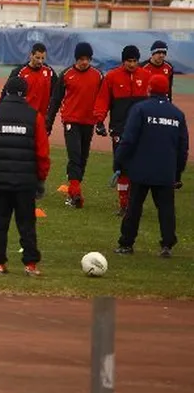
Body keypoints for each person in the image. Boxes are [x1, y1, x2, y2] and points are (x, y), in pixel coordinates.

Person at [0, 76, 51, 276]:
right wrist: (40, 179)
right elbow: (42, 153)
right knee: (26, 224)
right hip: (25, 181)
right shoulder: (34, 116)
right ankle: (30, 263)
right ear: (25, 94)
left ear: (6, 91)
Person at [114, 74, 187, 258]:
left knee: (134, 207)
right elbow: (182, 147)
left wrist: (119, 161)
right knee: (166, 209)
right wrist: (177, 172)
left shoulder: (140, 109)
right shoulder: (177, 114)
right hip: (165, 170)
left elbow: (128, 139)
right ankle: (167, 245)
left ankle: (126, 243)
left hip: (141, 169)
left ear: (149, 89)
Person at [94, 45, 151, 216]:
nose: (132, 64)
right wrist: (99, 120)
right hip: (120, 129)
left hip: (141, 129)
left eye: (134, 61)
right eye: (129, 61)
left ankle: (134, 204)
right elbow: (103, 100)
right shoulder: (111, 77)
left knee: (138, 166)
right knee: (122, 166)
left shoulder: (146, 76)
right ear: (123, 61)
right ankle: (124, 204)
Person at [46, 42, 103, 208]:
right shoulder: (66, 75)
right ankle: (75, 193)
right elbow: (55, 100)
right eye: (81, 59)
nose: (84, 62)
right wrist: (48, 122)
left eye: (87, 59)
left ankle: (75, 189)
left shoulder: (98, 76)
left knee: (83, 157)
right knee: (75, 156)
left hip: (89, 122)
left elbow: (103, 100)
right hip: (71, 121)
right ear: (76, 58)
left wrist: (100, 122)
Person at [8, 42, 57, 118]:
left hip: (42, 117)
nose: (40, 61)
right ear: (31, 55)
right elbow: (8, 93)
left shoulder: (49, 72)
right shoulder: (19, 72)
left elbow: (56, 93)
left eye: (43, 58)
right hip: (24, 116)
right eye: (37, 58)